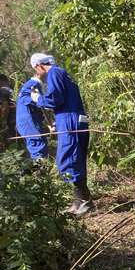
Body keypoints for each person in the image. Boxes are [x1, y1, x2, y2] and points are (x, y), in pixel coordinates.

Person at [29, 53, 95, 216]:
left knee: (69, 161)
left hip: (70, 122)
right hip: (73, 120)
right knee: (74, 161)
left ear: (39, 65)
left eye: (36, 72)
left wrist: (38, 98)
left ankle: (86, 204)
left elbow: (55, 99)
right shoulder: (63, 73)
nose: (39, 77)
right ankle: (78, 203)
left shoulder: (54, 73)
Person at [17, 72, 49, 163]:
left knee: (37, 144)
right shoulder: (33, 84)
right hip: (29, 120)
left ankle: (32, 171)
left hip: (30, 120)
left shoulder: (37, 85)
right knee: (37, 145)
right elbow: (25, 98)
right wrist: (38, 100)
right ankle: (38, 172)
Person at [0, 74, 17, 151]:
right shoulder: (13, 89)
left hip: (12, 117)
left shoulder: (2, 91)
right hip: (20, 115)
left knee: (14, 138)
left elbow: (5, 106)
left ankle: (19, 157)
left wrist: (4, 119)